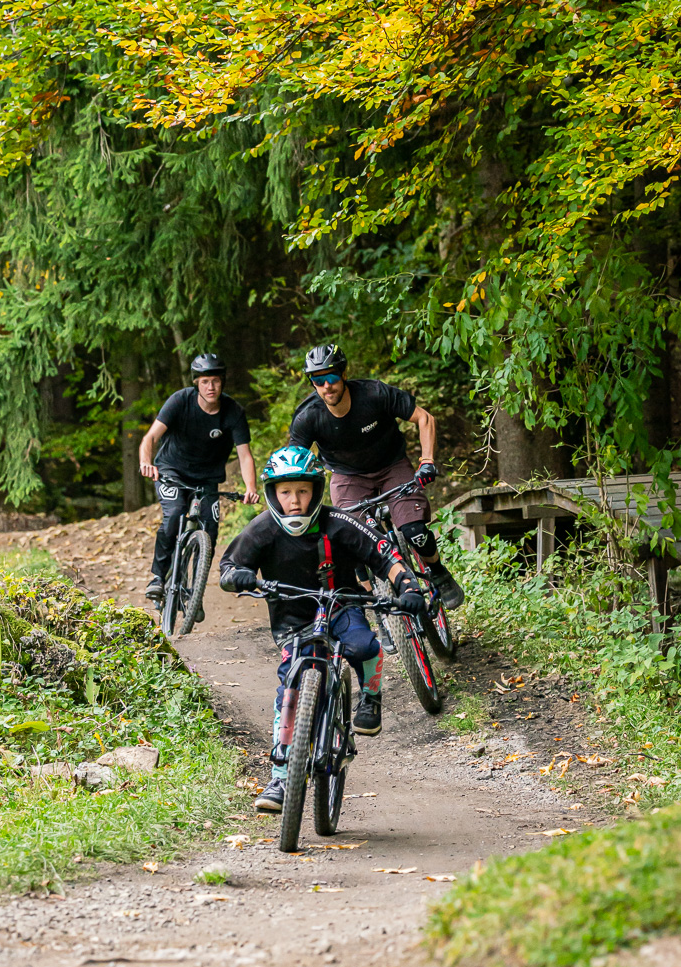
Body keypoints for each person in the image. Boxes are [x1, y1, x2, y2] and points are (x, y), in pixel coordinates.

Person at [219, 445, 422, 814]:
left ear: (315, 489)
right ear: (272, 494)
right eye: (285, 492)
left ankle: (370, 698)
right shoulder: (262, 528)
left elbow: (383, 554)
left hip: (342, 604)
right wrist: (236, 576)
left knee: (364, 647)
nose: (294, 501)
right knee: (291, 689)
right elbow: (230, 564)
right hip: (292, 618)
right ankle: (281, 776)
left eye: (302, 491)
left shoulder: (339, 522)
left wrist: (407, 587)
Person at [287, 343, 465, 610]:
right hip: (348, 477)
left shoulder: (373, 394)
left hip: (392, 466)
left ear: (344, 374)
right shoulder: (308, 417)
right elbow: (293, 464)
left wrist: (426, 461)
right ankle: (378, 613)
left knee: (414, 530)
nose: (327, 386)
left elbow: (425, 419)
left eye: (332, 377)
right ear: (312, 383)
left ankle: (439, 572)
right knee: (353, 540)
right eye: (318, 380)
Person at [139, 352, 259, 611]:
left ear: (222, 381)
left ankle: (194, 593)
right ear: (196, 383)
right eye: (205, 381)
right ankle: (158, 577)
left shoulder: (233, 412)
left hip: (207, 478)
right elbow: (150, 438)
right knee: (174, 516)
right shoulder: (179, 401)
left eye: (215, 381)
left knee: (209, 530)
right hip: (171, 470)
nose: (211, 387)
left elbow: (245, 455)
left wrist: (251, 488)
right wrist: (146, 463)